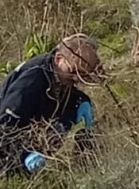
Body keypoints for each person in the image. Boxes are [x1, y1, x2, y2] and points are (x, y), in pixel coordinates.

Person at [0, 35, 100, 175]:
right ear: (59, 59)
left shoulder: (60, 71)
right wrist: (23, 157)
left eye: (84, 74)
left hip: (38, 136)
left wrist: (81, 100)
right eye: (74, 72)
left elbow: (68, 90)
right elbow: (4, 129)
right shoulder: (30, 84)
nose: (78, 79)